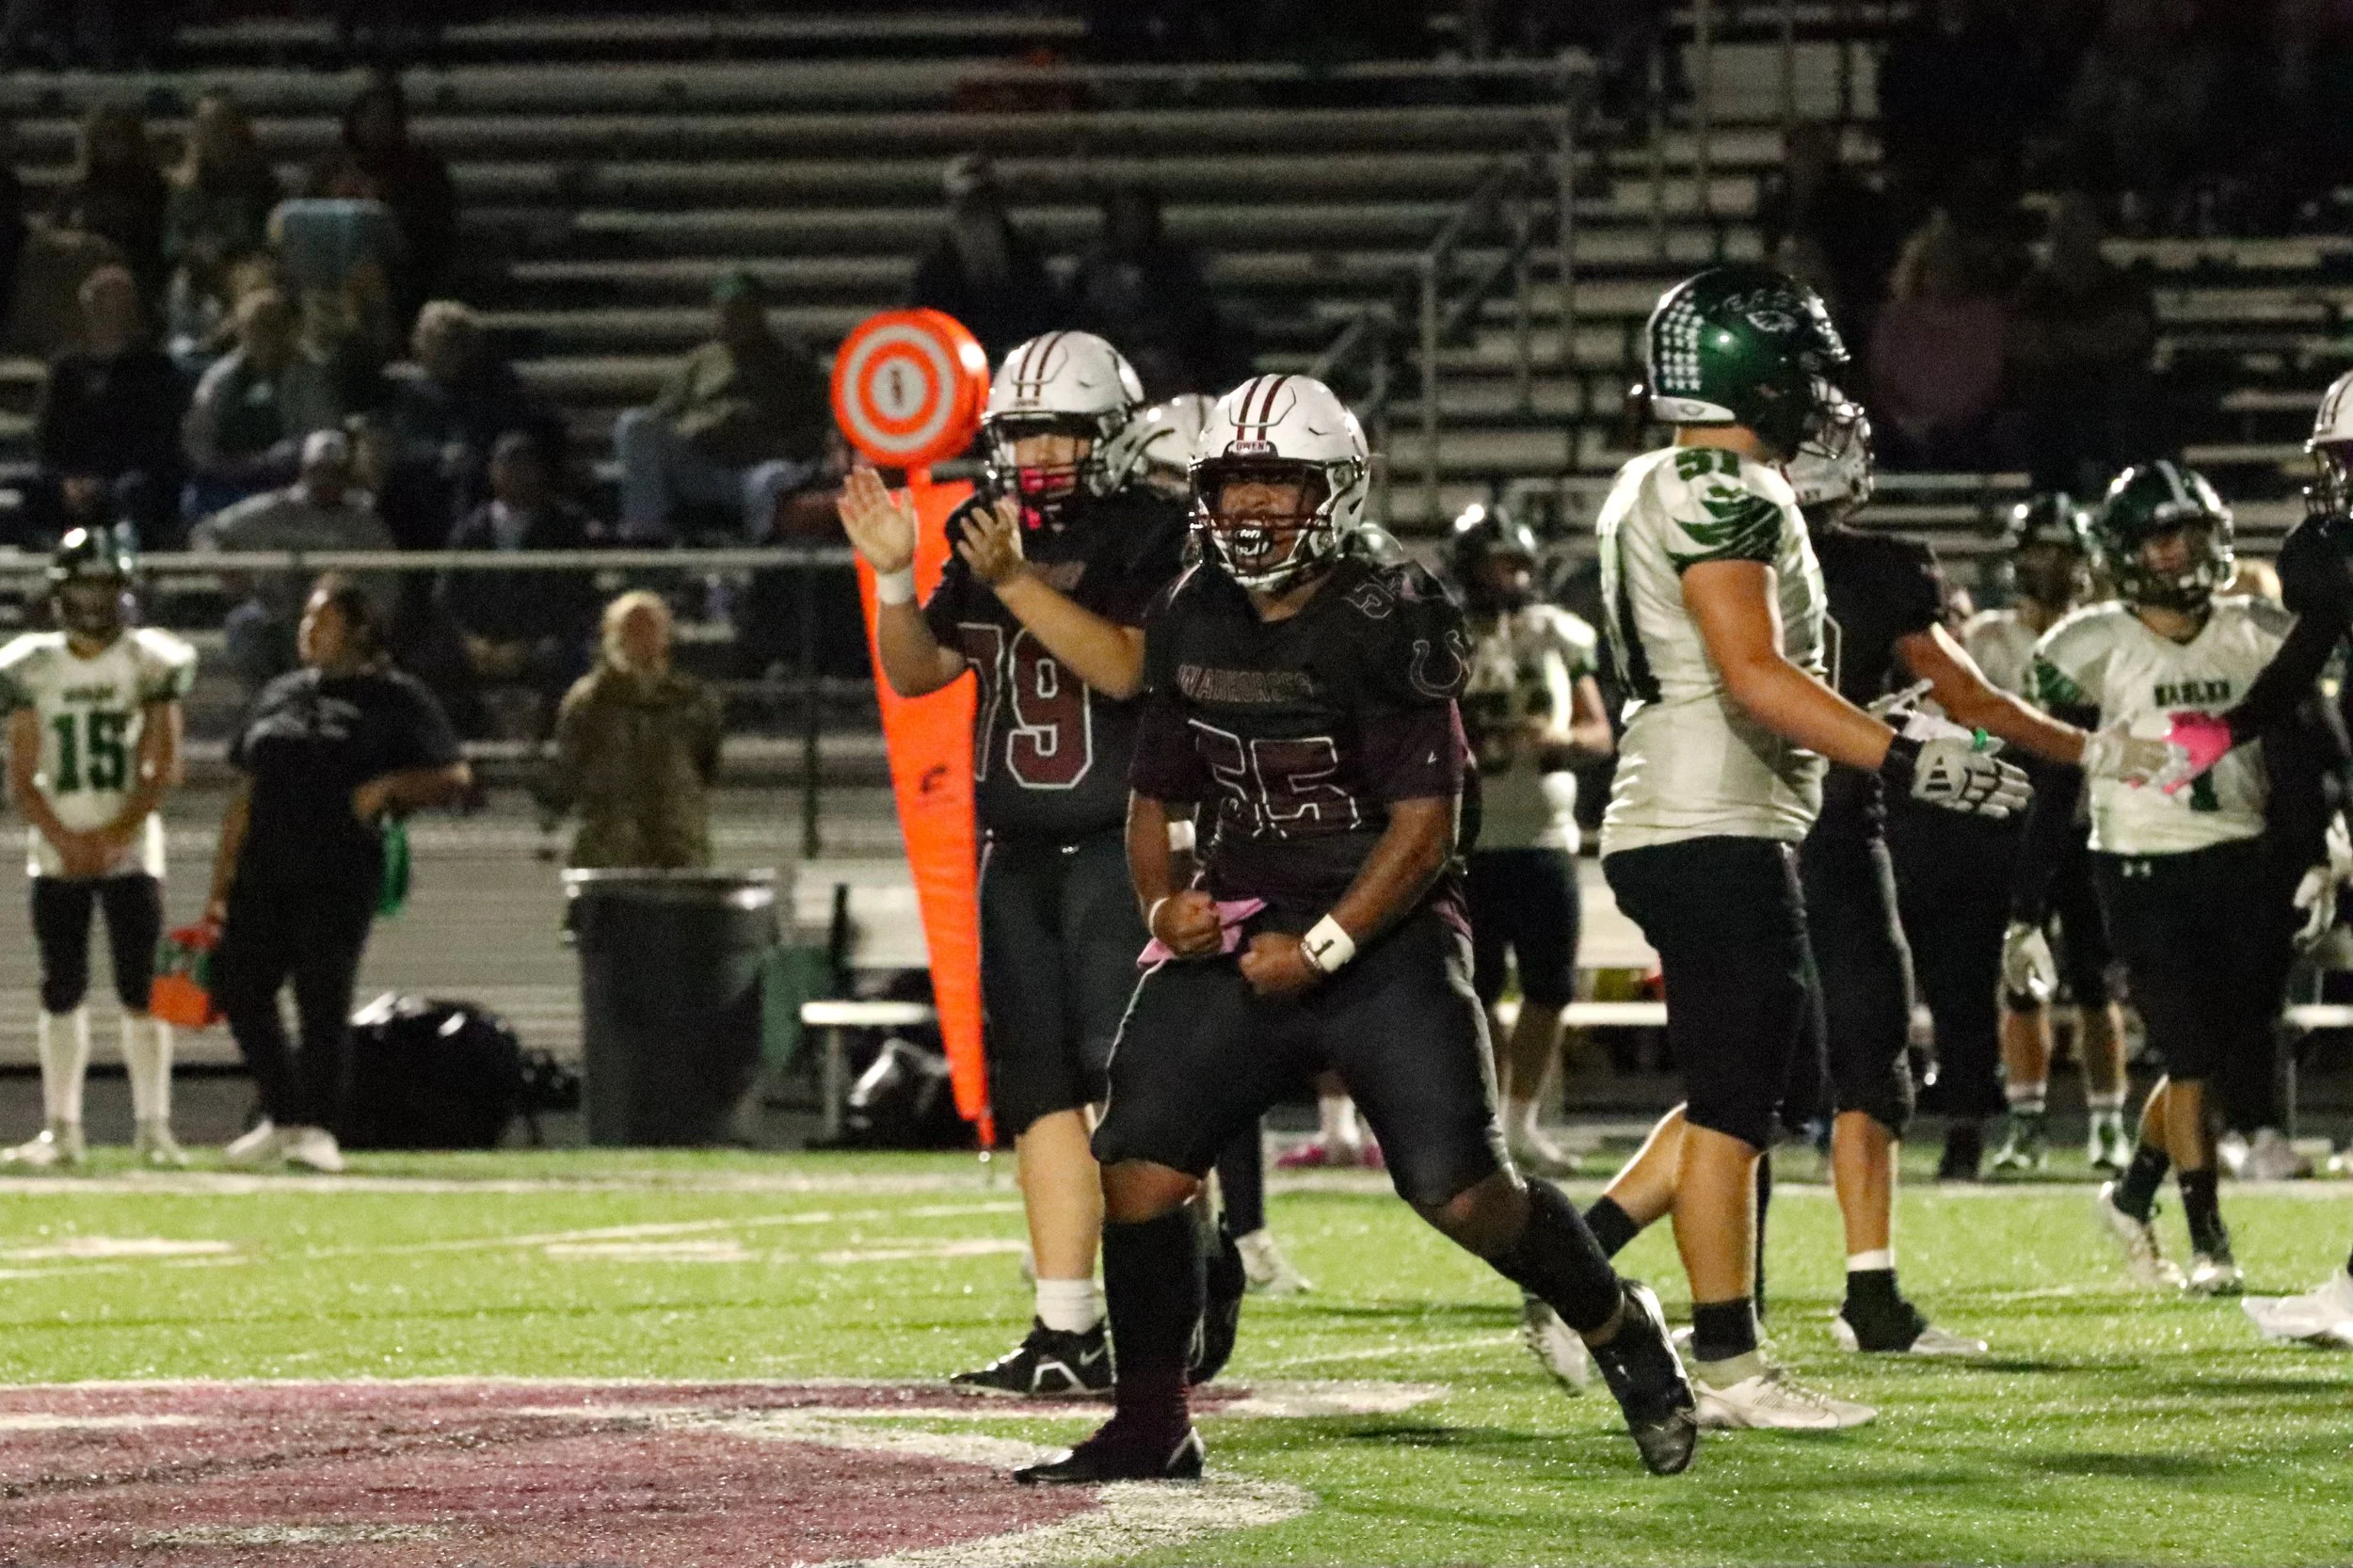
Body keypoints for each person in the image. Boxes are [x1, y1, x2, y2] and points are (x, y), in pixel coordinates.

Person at [1014, 373, 1701, 1485]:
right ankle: (1152, 1422)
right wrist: (1163, 903)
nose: (1251, 505)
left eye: (1278, 481)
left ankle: (1619, 1323)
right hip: (1247, 919)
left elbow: (1427, 829)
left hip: (1387, 933)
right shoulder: (1191, 605)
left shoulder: (1392, 608)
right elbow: (1158, 793)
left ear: (1335, 489)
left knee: (1461, 1193)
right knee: (1137, 1162)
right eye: (1233, 480)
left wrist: (1324, 946)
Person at [1573, 393, 2168, 1386]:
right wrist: (2075, 750)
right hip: (1803, 828)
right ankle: (1636, 1282)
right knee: (1799, 1082)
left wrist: (1930, 735)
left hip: (1740, 819)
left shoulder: (1680, 514)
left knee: (1768, 1085)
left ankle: (1737, 1295)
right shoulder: (1813, 550)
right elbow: (1947, 695)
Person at [1586, 265, 2039, 1430]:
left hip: (1707, 812)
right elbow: (1751, 672)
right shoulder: (1721, 486)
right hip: (1707, 818)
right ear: (1749, 371)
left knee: (1761, 1088)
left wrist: (1890, 735)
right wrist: (1903, 759)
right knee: (1735, 1104)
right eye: (1801, 369)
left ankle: (1577, 1271)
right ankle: (1726, 1360)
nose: (1820, 393)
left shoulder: (1669, 476)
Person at [840, 330, 1212, 1400]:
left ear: (1114, 434)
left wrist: (1012, 581)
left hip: (1122, 850)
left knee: (1135, 1095)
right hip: (1017, 853)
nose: (1040, 452)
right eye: (1023, 432)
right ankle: (1065, 1327)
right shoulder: (989, 530)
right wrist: (895, 577)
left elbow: (1127, 668)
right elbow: (920, 673)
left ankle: (1186, 1293)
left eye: (1062, 431)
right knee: (1041, 1093)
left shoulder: (1157, 530)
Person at [2022, 462, 2301, 1298]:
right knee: (2186, 1051)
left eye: (2189, 533)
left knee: (2206, 1055)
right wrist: (2024, 906)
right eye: (2157, 538)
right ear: (2123, 552)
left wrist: (2318, 842)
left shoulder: (2255, 627)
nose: (2177, 552)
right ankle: (2209, 1237)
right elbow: (2053, 780)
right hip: (2138, 862)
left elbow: (2304, 743)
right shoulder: (2089, 643)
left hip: (2241, 855)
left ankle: (2132, 1193)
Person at [210, 575, 469, 1174]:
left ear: (357, 631)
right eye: (306, 620)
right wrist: (221, 881)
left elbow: (454, 775)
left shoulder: (394, 696)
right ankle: (283, 1113)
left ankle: (319, 1127)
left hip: (338, 867)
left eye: (322, 621)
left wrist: (387, 788)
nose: (308, 631)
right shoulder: (281, 693)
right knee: (239, 985)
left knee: (321, 996)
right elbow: (246, 789)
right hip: (265, 865)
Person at [0, 527, 197, 1171]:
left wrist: (116, 835)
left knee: (144, 988)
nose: (93, 600)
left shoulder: (149, 661)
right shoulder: (32, 665)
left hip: (130, 848)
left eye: (103, 585)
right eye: (83, 586)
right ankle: (62, 1129)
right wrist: (65, 837)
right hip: (58, 848)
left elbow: (165, 763)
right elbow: (21, 771)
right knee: (61, 987)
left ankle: (154, 1128)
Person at [1967, 497, 2132, 1178]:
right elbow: (1967, 728)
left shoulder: (2107, 633)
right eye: (2039, 552)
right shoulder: (1987, 638)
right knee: (2020, 984)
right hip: (2013, 823)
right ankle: (2027, 1123)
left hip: (2091, 824)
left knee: (2096, 985)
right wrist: (2007, 742)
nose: (2049, 567)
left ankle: (2108, 1125)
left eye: (2062, 554)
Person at [1447, 503, 1610, 1177]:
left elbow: (1599, 734)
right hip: (1470, 842)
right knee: (1476, 990)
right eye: (1497, 565)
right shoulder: (1444, 637)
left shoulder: (1557, 635)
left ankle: (1521, 1123)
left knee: (1549, 988)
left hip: (1546, 837)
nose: (1510, 577)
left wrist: (1556, 738)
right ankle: (1486, 1124)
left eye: (1518, 564)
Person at [611, 272, 831, 544]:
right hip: (701, 466)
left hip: (755, 470)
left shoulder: (794, 364)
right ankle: (647, 536)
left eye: (742, 310)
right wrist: (696, 428)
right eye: (726, 310)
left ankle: (760, 553)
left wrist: (774, 446)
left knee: (772, 478)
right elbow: (663, 416)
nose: (733, 318)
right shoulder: (700, 362)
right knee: (635, 424)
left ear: (759, 311)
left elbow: (819, 424)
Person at [193, 429, 395, 695]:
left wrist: (364, 611)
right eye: (318, 470)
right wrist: (227, 569)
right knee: (245, 624)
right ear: (305, 470)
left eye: (333, 472)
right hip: (276, 611)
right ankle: (264, 700)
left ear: (346, 476)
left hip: (336, 618)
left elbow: (387, 580)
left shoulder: (363, 522)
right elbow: (207, 532)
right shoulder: (276, 509)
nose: (325, 479)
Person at [543, 592, 722, 871]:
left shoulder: (692, 700)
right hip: (608, 847)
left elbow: (707, 764)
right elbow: (569, 766)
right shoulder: (589, 701)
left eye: (650, 628)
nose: (642, 638)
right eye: (632, 629)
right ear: (611, 635)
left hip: (678, 845)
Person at [440, 431, 598, 735]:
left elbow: (575, 594)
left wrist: (528, 645)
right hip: (481, 644)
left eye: (524, 465)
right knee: (438, 660)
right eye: (507, 465)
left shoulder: (565, 526)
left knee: (569, 659)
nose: (515, 474)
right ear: (492, 471)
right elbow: (447, 595)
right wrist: (474, 643)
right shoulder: (470, 529)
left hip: (543, 640)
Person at [2007, 195, 2156, 497]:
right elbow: (2026, 345)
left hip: (2112, 398)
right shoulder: (2034, 290)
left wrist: (2062, 340)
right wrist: (2089, 339)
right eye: (2064, 228)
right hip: (2049, 404)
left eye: (2079, 226)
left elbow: (2129, 337)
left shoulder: (2122, 286)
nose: (2072, 237)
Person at [32, 263, 187, 547]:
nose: (108, 312)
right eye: (100, 303)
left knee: (135, 492)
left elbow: (160, 440)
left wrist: (100, 483)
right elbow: (48, 437)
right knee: (23, 486)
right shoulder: (66, 370)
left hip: (129, 476)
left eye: (118, 304)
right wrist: (69, 481)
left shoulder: (156, 369)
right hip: (71, 477)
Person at [181, 285, 344, 523]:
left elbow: (322, 432)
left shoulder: (310, 374)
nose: (266, 335)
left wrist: (275, 459)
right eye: (256, 327)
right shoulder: (220, 378)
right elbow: (197, 435)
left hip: (287, 478)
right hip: (228, 476)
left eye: (273, 325)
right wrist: (222, 464)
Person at [303, 75, 456, 326]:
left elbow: (431, 236)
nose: (375, 124)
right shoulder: (329, 167)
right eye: (368, 115)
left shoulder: (423, 170)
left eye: (384, 116)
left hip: (399, 277)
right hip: (330, 272)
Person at [1867, 214, 2010, 471]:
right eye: (1935, 264)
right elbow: (1882, 382)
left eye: (1949, 262)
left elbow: (1989, 380)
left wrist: (1949, 421)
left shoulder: (1984, 318)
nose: (1942, 271)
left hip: (1969, 430)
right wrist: (1909, 421)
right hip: (1902, 430)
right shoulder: (1895, 320)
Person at [1070, 185, 1239, 399]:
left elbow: (1194, 323)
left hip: (1170, 373)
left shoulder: (1177, 270)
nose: (1130, 226)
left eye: (1137, 218)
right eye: (1123, 218)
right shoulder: (1091, 273)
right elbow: (1081, 325)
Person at [909, 154, 1063, 366]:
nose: (978, 211)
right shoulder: (935, 269)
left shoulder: (1025, 259)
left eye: (984, 202)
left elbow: (1047, 318)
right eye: (969, 205)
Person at [48, 103, 167, 302]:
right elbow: (52, 232)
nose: (108, 144)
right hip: (84, 274)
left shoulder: (152, 187)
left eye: (115, 136)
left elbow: (155, 242)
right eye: (100, 137)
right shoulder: (76, 189)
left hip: (136, 278)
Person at [163, 92, 280, 291]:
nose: (215, 135)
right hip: (197, 268)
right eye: (206, 127)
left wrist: (226, 250)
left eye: (220, 127)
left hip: (245, 265)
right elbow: (172, 241)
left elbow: (268, 236)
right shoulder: (184, 186)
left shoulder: (260, 181)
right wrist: (194, 252)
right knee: (181, 287)